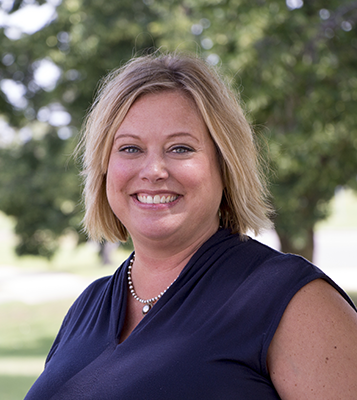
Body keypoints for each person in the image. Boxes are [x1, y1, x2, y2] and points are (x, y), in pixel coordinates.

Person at [25, 52, 357, 399]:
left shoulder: (290, 299)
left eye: (180, 148)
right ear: (104, 168)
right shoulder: (87, 307)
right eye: (130, 149)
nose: (153, 170)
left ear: (225, 166)